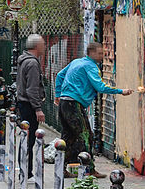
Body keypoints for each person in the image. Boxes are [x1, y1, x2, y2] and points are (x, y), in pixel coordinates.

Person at [54, 42, 133, 177]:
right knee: (86, 136)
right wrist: (121, 91)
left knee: (68, 136)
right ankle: (89, 169)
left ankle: (61, 168)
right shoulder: (90, 66)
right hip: (74, 104)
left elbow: (60, 75)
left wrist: (57, 94)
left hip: (65, 102)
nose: (103, 56)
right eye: (100, 53)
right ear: (92, 53)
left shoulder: (76, 62)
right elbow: (100, 87)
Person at [15, 34, 46, 178]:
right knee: (29, 140)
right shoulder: (32, 63)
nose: (44, 46)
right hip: (28, 106)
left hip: (23, 103)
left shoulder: (23, 60)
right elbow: (32, 89)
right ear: (36, 46)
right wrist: (38, 109)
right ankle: (26, 172)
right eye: (43, 44)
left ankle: (24, 169)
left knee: (25, 139)